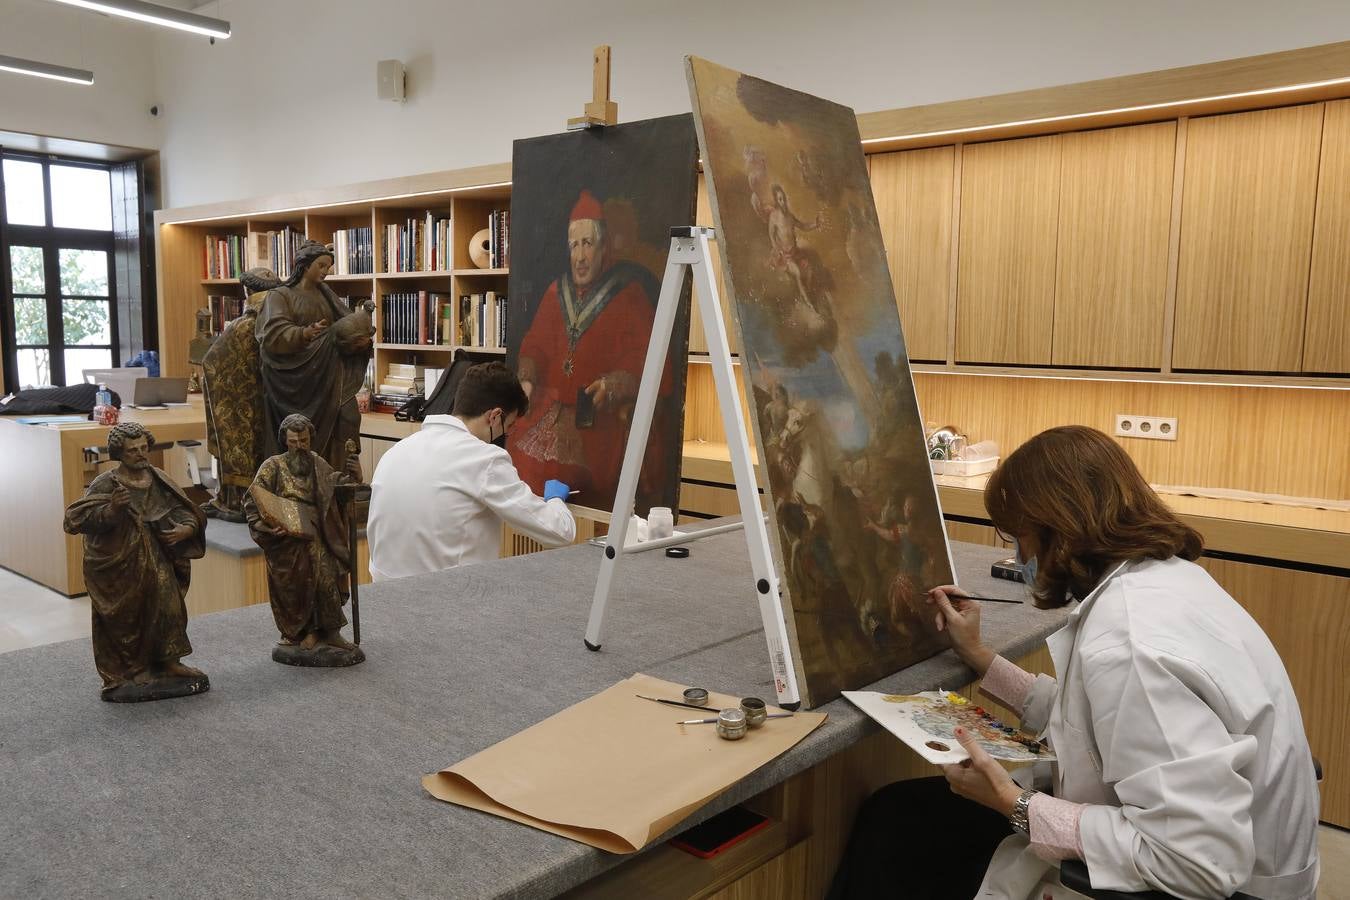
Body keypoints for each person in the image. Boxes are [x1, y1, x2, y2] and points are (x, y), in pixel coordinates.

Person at [831, 426, 1320, 900]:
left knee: (897, 835)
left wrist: (1014, 804)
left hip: (1206, 878)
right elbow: (1097, 723)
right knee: (898, 815)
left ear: (1055, 532)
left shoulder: (1131, 647)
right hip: (1221, 839)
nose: (1019, 555)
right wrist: (980, 657)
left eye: (1017, 538)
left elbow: (1195, 863)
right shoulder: (1165, 581)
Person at [511, 189, 670, 513]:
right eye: (574, 246)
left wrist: (614, 385)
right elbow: (536, 344)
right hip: (552, 409)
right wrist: (526, 378)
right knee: (519, 458)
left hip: (599, 417)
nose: (580, 256)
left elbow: (648, 357)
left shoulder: (629, 294)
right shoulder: (557, 291)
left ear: (603, 247)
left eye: (587, 244)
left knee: (584, 476)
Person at [367, 362, 575, 581]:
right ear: (494, 416)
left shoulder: (397, 451)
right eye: (510, 426)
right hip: (447, 604)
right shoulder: (485, 460)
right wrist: (555, 501)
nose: (508, 433)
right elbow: (559, 532)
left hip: (382, 601)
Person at [63, 422, 209, 701]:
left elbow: (187, 511)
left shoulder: (159, 479)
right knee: (129, 616)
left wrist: (186, 529)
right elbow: (74, 520)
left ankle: (169, 661)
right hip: (121, 565)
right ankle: (132, 669)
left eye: (144, 448)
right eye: (133, 450)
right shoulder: (106, 483)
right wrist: (113, 508)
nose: (141, 454)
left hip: (158, 558)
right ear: (119, 452)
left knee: (168, 607)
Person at [244, 413, 364, 664]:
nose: (300, 446)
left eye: (304, 441)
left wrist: (354, 478)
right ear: (285, 441)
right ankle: (305, 632)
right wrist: (267, 527)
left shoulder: (317, 463)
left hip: (317, 532)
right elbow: (253, 500)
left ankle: (331, 632)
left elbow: (337, 488)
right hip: (286, 541)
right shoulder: (272, 467)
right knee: (297, 587)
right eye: (294, 441)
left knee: (325, 575)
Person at [255, 240, 373, 471]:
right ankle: (298, 477)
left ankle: (341, 474)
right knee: (300, 431)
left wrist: (359, 341)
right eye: (320, 265)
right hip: (294, 380)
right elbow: (272, 334)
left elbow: (345, 325)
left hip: (328, 373)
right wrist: (304, 333)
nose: (325, 272)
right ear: (304, 265)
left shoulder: (325, 294)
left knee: (348, 415)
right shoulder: (280, 295)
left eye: (327, 267)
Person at [202, 267, 281, 521]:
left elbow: (211, 364)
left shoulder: (242, 326)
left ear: (247, 291)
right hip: (276, 403)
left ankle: (236, 503)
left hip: (239, 404)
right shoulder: (282, 324)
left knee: (238, 443)